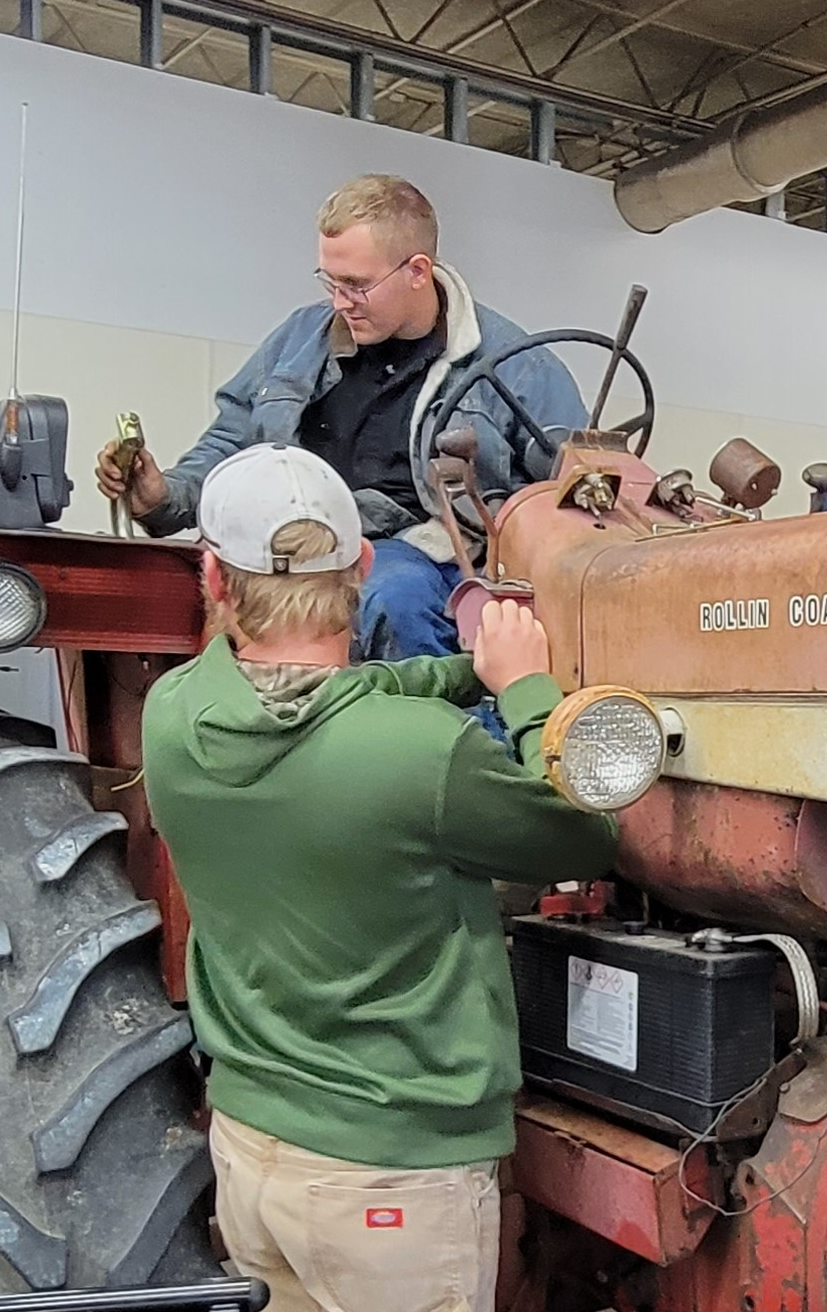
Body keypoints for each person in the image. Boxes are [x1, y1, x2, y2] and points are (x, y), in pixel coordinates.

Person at [141, 444, 617, 1312]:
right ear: (365, 563)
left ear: (212, 575)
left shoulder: (172, 711)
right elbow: (586, 834)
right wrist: (528, 692)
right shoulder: (425, 758)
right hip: (391, 1187)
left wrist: (465, 668)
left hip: (251, 1156)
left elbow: (345, 691)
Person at [97, 174, 587, 662]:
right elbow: (234, 443)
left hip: (422, 553)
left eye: (355, 285)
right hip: (292, 545)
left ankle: (430, 732)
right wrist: (165, 496)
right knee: (183, 589)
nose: (339, 302)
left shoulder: (520, 368)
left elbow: (575, 497)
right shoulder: (299, 339)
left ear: (417, 270)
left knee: (393, 597)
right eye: (329, 281)